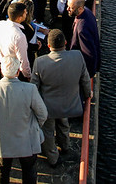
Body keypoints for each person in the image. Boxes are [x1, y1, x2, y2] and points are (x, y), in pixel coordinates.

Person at [0, 56, 47, 184]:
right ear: (18, 72)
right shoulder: (30, 89)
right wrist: (33, 125)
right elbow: (42, 114)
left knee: (2, 170)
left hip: (2, 140)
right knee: (29, 170)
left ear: (1, 70)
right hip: (27, 139)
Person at [30, 29, 91, 167]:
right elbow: (85, 80)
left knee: (48, 132)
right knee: (63, 123)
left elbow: (33, 87)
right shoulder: (77, 56)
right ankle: (65, 146)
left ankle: (52, 157)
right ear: (65, 42)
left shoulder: (40, 62)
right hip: (69, 104)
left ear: (49, 46)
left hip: (48, 108)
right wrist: (88, 95)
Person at [0, 0, 31, 79]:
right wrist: (28, 75)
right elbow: (23, 60)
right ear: (19, 18)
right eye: (25, 12)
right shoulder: (19, 36)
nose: (27, 13)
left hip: (4, 66)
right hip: (16, 72)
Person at [67, 0, 101, 78]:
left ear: (80, 9)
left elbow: (88, 53)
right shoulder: (87, 11)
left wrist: (88, 75)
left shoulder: (82, 29)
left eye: (71, 8)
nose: (67, 9)